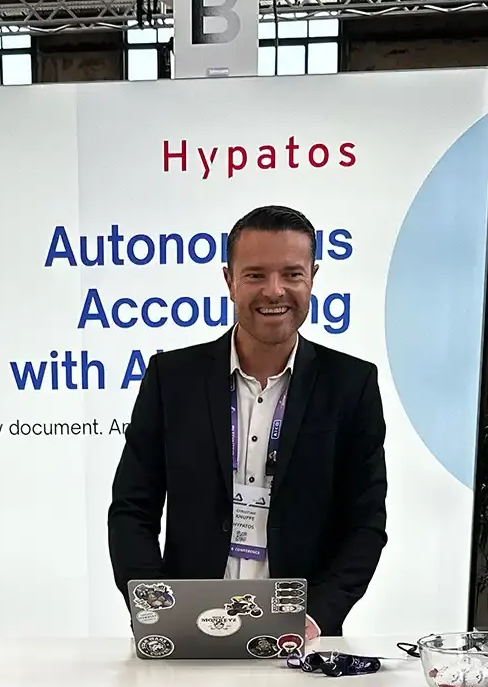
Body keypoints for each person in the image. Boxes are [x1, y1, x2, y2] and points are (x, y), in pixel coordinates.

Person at [107, 204, 387, 637]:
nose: (274, 291)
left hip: (299, 639)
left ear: (312, 277)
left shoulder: (351, 384)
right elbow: (132, 509)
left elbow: (365, 524)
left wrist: (317, 617)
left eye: (292, 274)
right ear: (229, 281)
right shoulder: (171, 379)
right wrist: (154, 609)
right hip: (187, 632)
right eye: (255, 275)